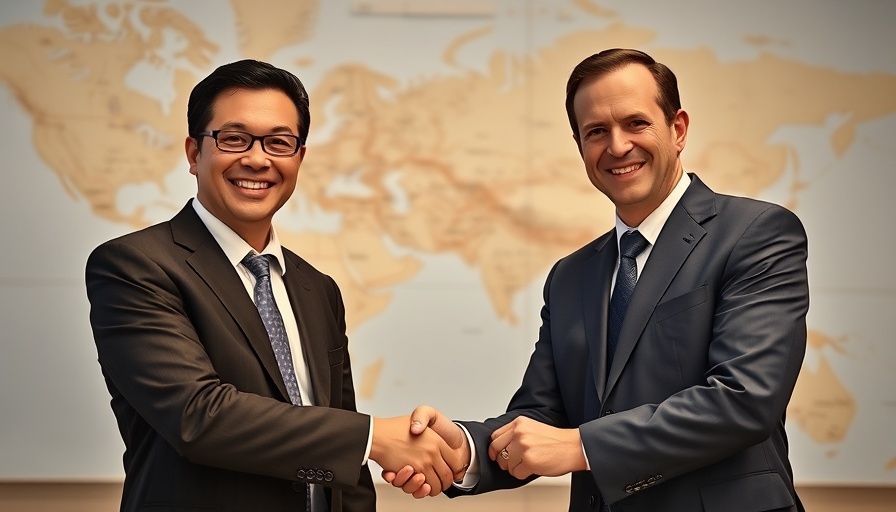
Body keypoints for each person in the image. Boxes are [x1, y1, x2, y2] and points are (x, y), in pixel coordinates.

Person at [386, 48, 809, 511]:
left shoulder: (756, 233)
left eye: (636, 123)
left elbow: (744, 399)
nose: (618, 146)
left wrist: (579, 446)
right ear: (580, 146)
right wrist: (462, 450)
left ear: (678, 128)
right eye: (596, 132)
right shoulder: (570, 276)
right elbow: (543, 415)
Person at [85, 59, 463, 512]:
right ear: (193, 153)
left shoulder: (316, 288)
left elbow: (345, 458)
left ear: (299, 157)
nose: (257, 159)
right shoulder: (135, 265)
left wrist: (370, 446)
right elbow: (198, 417)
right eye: (234, 138)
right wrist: (374, 437)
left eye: (279, 143)